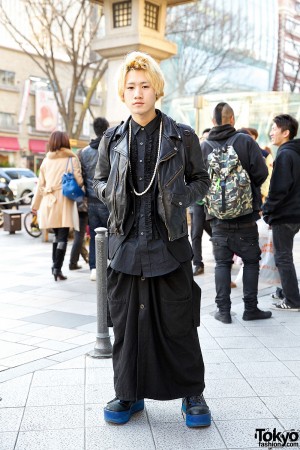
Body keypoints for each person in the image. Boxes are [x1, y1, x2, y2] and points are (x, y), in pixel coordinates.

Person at [93, 51, 211, 427]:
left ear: (156, 90)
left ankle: (192, 394)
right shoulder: (112, 138)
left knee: (178, 323)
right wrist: (110, 193)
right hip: (125, 245)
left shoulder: (182, 135)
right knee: (126, 326)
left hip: (169, 243)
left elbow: (202, 180)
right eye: (131, 87)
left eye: (145, 85)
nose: (138, 92)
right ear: (122, 94)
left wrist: (178, 198)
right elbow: (98, 180)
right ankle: (128, 394)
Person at [201, 102, 271, 324]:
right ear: (232, 119)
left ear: (213, 122)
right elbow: (261, 173)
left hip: (217, 219)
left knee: (222, 264)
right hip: (246, 216)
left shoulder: (204, 147)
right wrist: (247, 192)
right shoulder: (245, 141)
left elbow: (198, 182)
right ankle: (250, 309)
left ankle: (223, 312)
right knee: (251, 261)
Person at [31, 131, 83, 281]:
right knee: (63, 236)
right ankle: (57, 268)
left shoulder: (46, 161)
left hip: (49, 201)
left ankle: (55, 267)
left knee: (57, 236)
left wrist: (35, 205)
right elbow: (79, 181)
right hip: (65, 201)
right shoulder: (71, 159)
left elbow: (40, 184)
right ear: (66, 142)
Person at [262, 114, 300, 311]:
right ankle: (287, 294)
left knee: (283, 257)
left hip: (284, 214)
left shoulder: (285, 155)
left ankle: (293, 301)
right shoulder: (295, 152)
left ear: (286, 133)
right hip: (294, 214)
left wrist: (267, 211)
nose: (271, 132)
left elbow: (279, 188)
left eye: (274, 128)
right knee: (285, 256)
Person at [79, 117, 110, 281]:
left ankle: (94, 268)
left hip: (91, 201)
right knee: (111, 233)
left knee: (94, 235)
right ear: (106, 129)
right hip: (108, 200)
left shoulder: (85, 152)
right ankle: (109, 264)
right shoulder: (111, 148)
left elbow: (83, 177)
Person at [190, 128, 212, 276]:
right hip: (198, 202)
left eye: (207, 139)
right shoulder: (194, 156)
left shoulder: (215, 156)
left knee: (215, 231)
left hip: (212, 202)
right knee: (196, 232)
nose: (204, 141)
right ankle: (197, 263)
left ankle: (228, 255)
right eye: (202, 138)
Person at [69, 195, 89, 270]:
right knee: (79, 236)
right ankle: (73, 263)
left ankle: (84, 257)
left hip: (74, 206)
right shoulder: (79, 183)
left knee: (79, 235)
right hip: (81, 207)